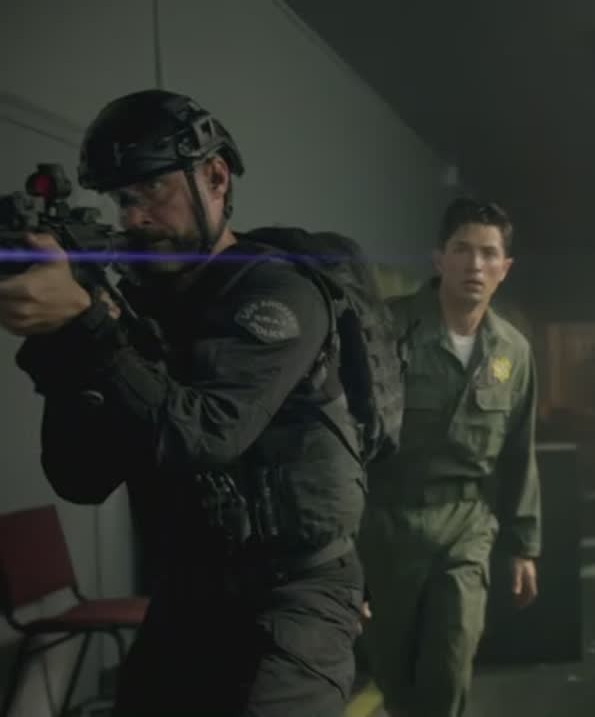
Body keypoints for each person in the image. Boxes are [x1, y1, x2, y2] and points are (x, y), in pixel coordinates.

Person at [0, 89, 371, 716]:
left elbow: (205, 433)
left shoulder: (277, 291)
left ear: (216, 178)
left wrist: (89, 326)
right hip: (188, 592)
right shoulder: (138, 308)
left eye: (152, 190)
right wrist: (66, 337)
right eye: (121, 199)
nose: (134, 217)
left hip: (297, 592)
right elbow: (80, 476)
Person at [359, 197, 541, 717]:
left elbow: (519, 451)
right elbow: (349, 438)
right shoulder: (386, 330)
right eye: (462, 249)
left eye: (488, 254)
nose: (475, 264)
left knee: (449, 665)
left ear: (505, 269)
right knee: (396, 678)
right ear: (439, 259)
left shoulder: (512, 352)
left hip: (465, 526)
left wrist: (524, 545)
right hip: (387, 524)